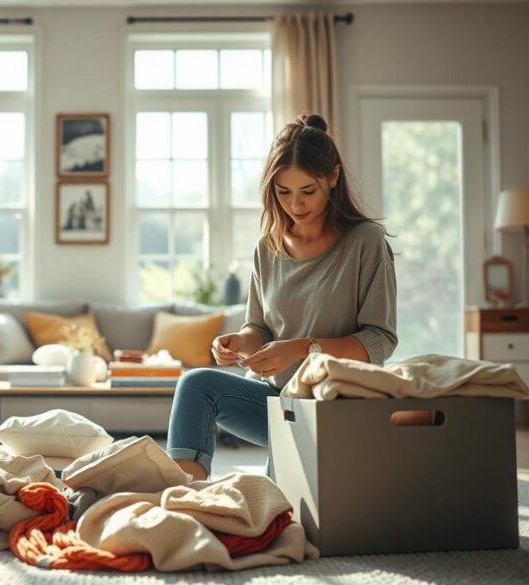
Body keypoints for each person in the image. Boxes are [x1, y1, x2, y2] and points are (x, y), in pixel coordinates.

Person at [165, 113, 398, 481]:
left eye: (308, 191)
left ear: (333, 177)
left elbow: (380, 340)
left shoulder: (365, 242)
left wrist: (302, 349)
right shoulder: (267, 247)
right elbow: (259, 326)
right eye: (283, 192)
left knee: (282, 505)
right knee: (195, 384)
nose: (296, 205)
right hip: (279, 402)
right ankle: (184, 496)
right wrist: (238, 342)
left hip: (338, 406)